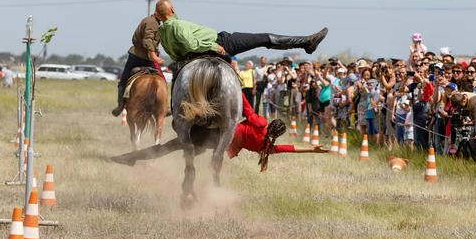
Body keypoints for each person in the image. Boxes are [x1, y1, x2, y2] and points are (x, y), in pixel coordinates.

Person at [110, 91, 329, 171]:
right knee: (173, 149)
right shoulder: (266, 146)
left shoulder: (259, 123)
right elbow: (288, 148)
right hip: (212, 146)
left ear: (271, 124)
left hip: (209, 134)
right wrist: (313, 150)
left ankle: (132, 156)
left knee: (170, 145)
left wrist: (234, 87)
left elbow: (245, 105)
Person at [154, 0, 328, 71]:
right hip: (220, 42)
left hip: (190, 60)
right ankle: (307, 42)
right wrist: (215, 46)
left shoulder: (162, 33)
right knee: (263, 38)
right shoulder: (178, 24)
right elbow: (192, 44)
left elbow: (173, 55)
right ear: (172, 9)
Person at [111, 14, 166, 117]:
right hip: (145, 57)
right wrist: (154, 56)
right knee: (162, 79)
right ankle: (164, 106)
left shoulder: (150, 21)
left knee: (123, 79)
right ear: (158, 13)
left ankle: (120, 105)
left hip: (136, 55)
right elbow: (147, 40)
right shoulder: (152, 23)